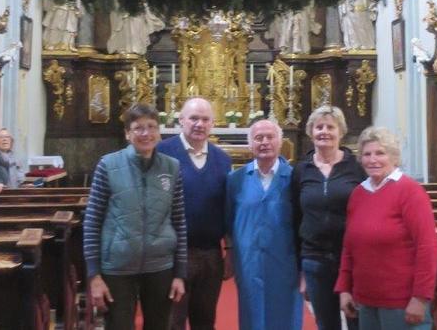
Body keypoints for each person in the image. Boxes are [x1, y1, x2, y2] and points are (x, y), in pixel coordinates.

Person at [83, 104, 187, 330]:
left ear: (159, 132)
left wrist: (180, 273)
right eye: (138, 128)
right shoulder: (108, 165)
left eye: (151, 127)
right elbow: (92, 221)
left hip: (161, 265)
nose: (146, 133)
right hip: (117, 266)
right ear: (127, 134)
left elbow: (179, 221)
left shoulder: (172, 167)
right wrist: (94, 275)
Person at [336, 127, 437, 330]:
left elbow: (427, 247)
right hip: (366, 300)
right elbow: (349, 246)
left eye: (380, 153)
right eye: (367, 154)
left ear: (393, 157)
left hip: (402, 302)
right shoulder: (358, 194)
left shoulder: (410, 192)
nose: (373, 160)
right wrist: (345, 288)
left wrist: (420, 297)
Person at [156, 97, 233, 330]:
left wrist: (229, 249)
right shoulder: (162, 152)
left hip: (210, 254)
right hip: (173, 254)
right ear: (181, 120)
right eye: (194, 118)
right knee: (172, 322)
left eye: (205, 119)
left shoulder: (223, 159)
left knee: (205, 321)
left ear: (213, 123)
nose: (200, 124)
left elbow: (226, 207)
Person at [292, 106, 365, 330]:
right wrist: (301, 272)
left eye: (330, 127)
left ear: (340, 132)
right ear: (310, 132)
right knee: (326, 324)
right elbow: (296, 219)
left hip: (353, 259)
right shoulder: (301, 169)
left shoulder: (356, 167)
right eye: (319, 127)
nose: (324, 132)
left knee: (357, 322)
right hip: (315, 259)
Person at [227, 119, 302, 330]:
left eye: (270, 137)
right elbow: (229, 219)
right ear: (250, 144)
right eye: (258, 138)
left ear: (280, 141)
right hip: (249, 262)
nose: (265, 142)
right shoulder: (235, 179)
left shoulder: (295, 178)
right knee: (252, 315)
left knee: (285, 315)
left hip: (285, 261)